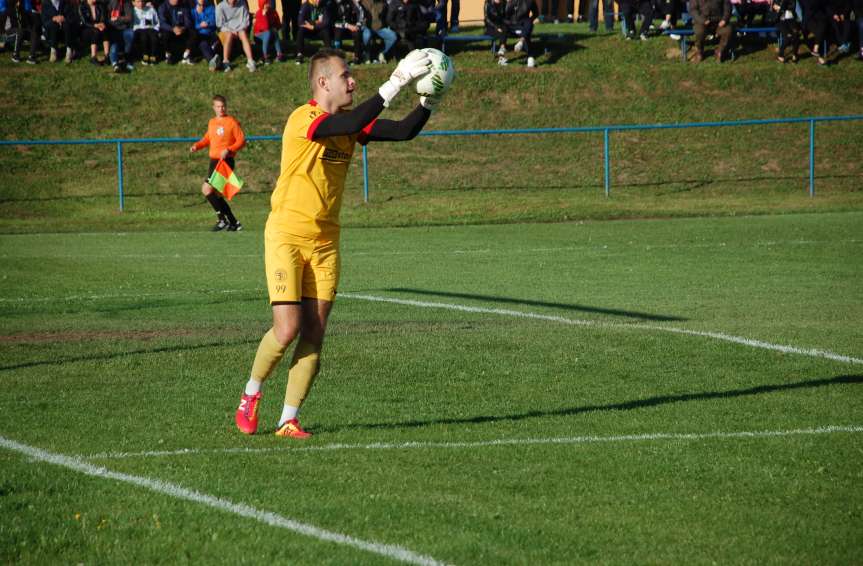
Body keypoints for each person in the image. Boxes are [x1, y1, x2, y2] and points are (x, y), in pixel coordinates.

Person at [233, 48, 442, 439]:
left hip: (325, 241)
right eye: (346, 76)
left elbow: (402, 131)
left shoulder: (349, 123)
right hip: (287, 235)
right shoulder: (304, 118)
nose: (353, 81)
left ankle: (288, 419)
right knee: (286, 329)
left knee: (315, 331)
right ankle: (251, 392)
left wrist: (429, 102)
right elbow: (358, 119)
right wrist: (396, 81)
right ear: (323, 82)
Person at [190, 94, 245, 232]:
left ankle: (222, 220)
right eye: (218, 106)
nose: (221, 109)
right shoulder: (212, 122)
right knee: (215, 194)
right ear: (213, 107)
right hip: (214, 161)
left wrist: (229, 149)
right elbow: (207, 138)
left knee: (206, 189)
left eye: (223, 106)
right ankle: (234, 222)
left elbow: (241, 140)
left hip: (225, 161)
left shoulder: (231, 122)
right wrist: (197, 146)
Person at [216, 0, 256, 71]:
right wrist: (231, 30)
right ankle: (225, 62)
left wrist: (239, 29)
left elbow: (246, 20)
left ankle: (250, 61)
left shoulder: (242, 4)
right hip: (227, 29)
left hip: (240, 28)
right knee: (229, 35)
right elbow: (219, 24)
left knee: (243, 34)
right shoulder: (220, 7)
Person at [158, 0, 195, 64]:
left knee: (193, 32)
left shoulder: (183, 6)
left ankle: (186, 55)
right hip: (169, 29)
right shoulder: (162, 7)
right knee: (164, 34)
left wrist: (183, 28)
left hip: (181, 28)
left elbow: (188, 21)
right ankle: (168, 55)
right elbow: (162, 23)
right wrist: (173, 29)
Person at [504, 0, 539, 66]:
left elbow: (536, 13)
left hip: (523, 25)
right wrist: (509, 3)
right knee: (526, 32)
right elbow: (505, 15)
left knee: (528, 24)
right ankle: (530, 57)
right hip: (512, 25)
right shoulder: (509, 1)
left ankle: (522, 42)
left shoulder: (530, 1)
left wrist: (530, 20)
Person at [79, 0, 110, 65]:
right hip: (87, 28)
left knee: (104, 30)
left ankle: (107, 56)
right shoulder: (82, 6)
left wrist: (102, 24)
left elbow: (103, 17)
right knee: (95, 32)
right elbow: (84, 22)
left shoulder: (100, 5)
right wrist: (95, 25)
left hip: (99, 26)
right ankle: (93, 57)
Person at [193, 0, 222, 70]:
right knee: (203, 44)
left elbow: (214, 22)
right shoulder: (193, 10)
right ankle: (213, 61)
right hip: (201, 35)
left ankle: (215, 60)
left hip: (211, 33)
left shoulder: (211, 8)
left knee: (217, 45)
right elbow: (193, 25)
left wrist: (205, 20)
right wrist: (200, 25)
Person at [108, 0, 134, 71]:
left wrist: (117, 18)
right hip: (113, 29)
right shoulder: (110, 3)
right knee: (114, 45)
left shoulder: (127, 3)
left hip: (125, 29)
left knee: (131, 34)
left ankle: (126, 58)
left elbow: (129, 18)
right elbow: (108, 18)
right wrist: (122, 19)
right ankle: (115, 63)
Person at [131, 0, 160, 64]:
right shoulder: (132, 10)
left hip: (150, 28)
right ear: (133, 3)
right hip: (139, 28)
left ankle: (153, 55)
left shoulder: (151, 9)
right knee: (143, 37)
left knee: (154, 38)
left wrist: (156, 29)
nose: (140, 3)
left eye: (142, 1)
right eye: (138, 2)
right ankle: (145, 55)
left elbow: (156, 21)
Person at [485, 0, 509, 64]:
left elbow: (506, 16)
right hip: (491, 26)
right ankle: (501, 54)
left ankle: (501, 52)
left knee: (504, 29)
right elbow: (486, 19)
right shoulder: (488, 3)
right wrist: (496, 27)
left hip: (501, 25)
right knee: (502, 32)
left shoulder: (504, 3)